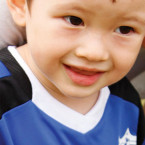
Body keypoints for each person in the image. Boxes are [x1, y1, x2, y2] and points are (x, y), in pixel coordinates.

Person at [0, 0, 145, 145]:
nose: (94, 53)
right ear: (20, 6)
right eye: (74, 20)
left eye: (125, 29)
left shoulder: (127, 102)